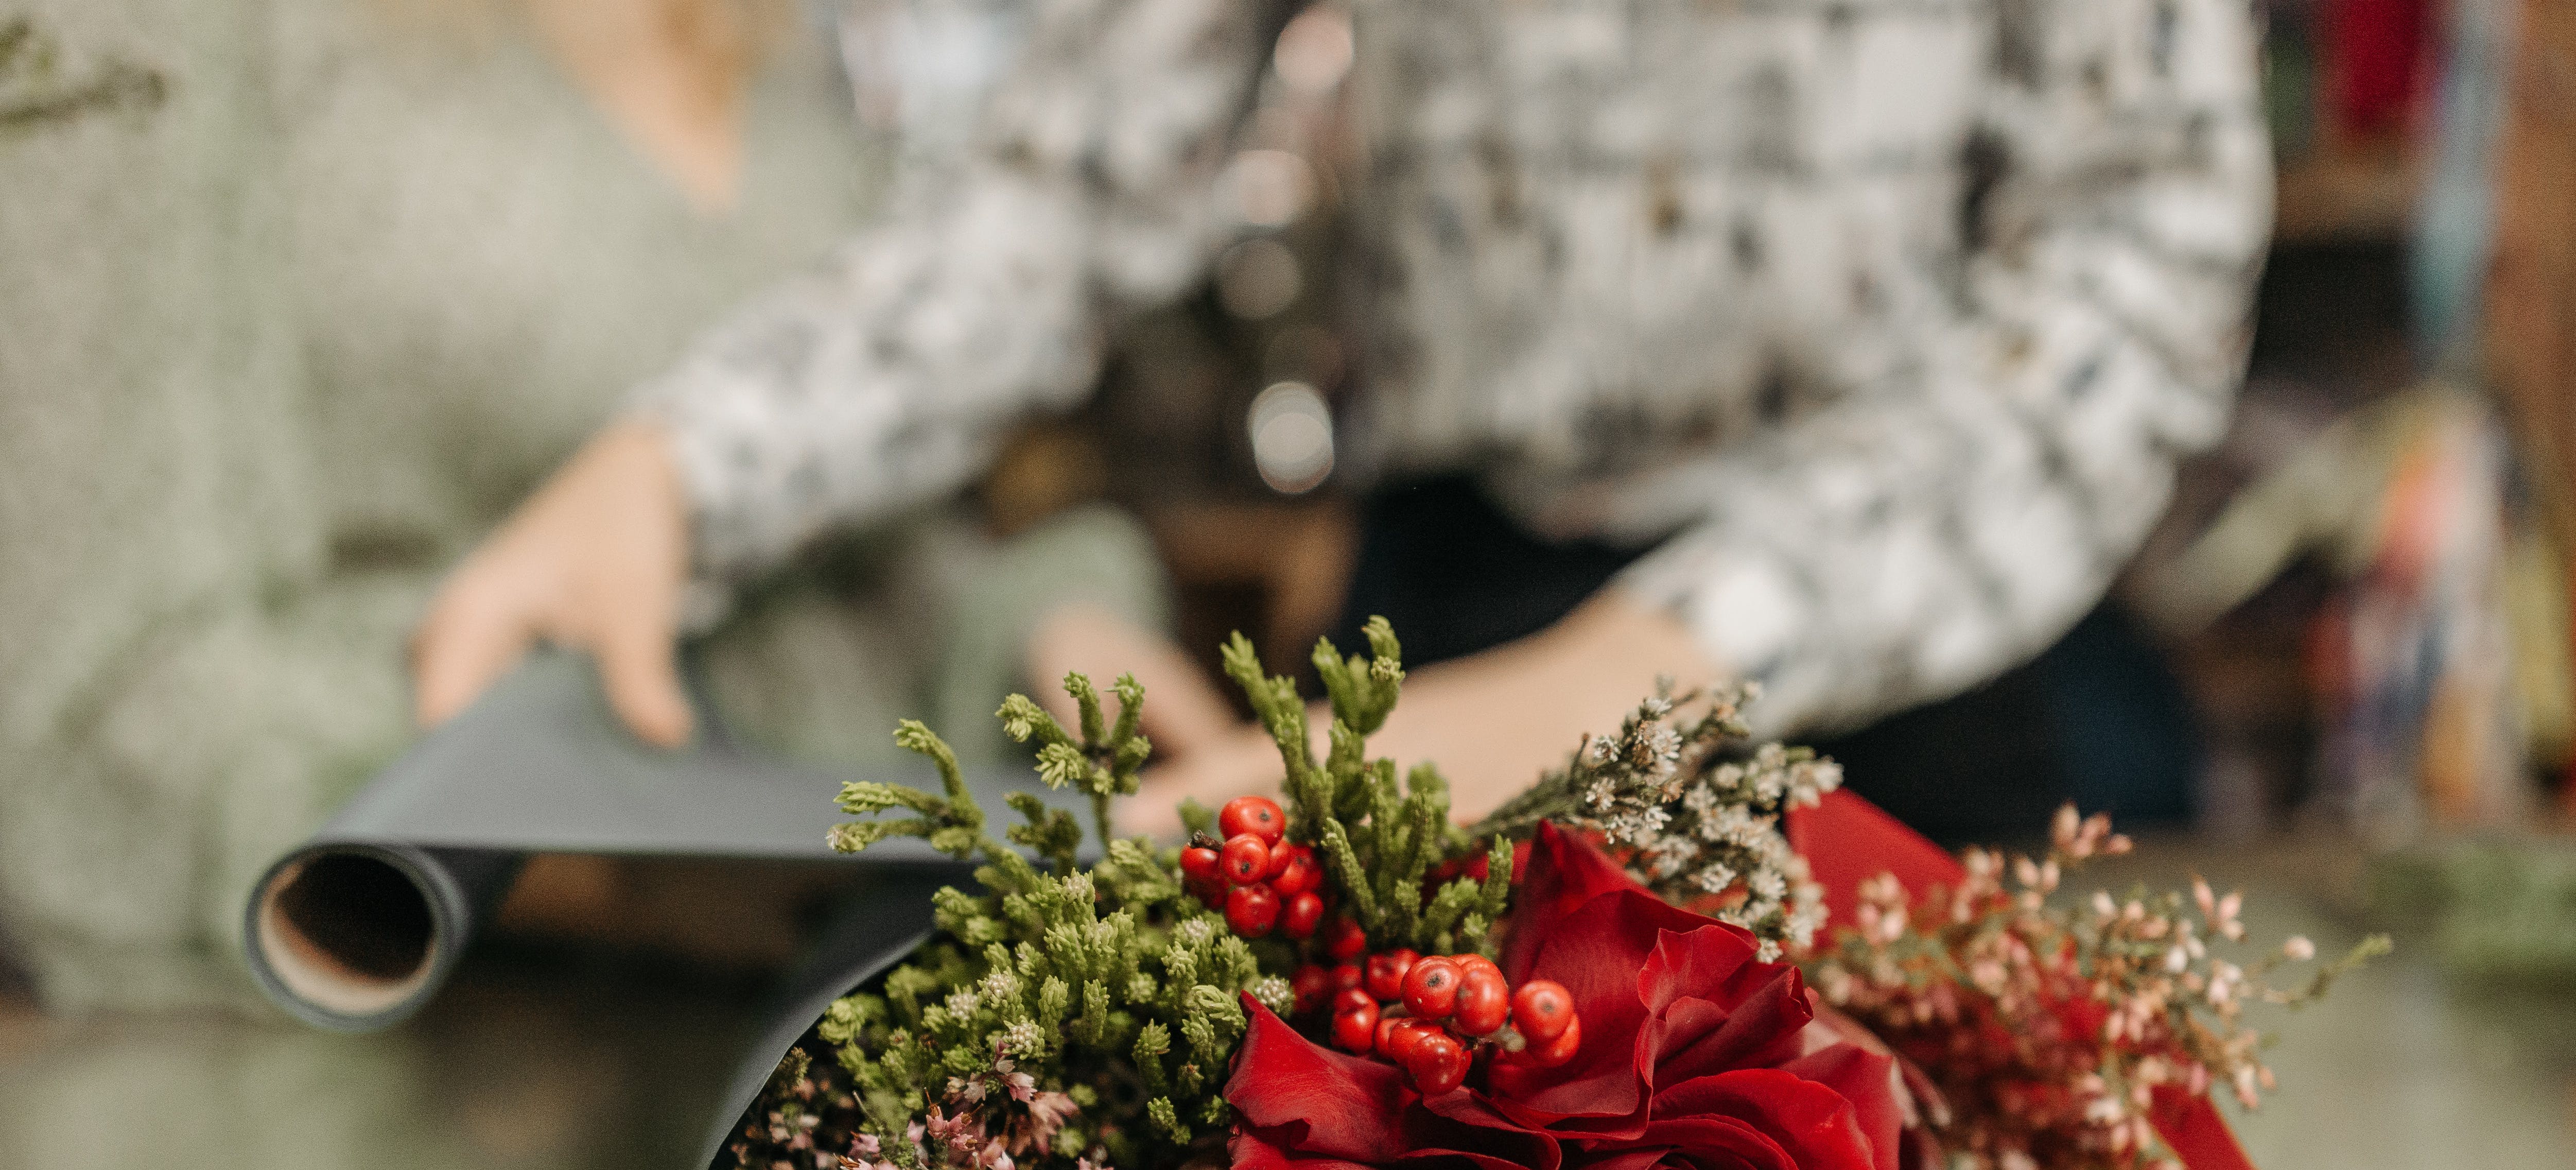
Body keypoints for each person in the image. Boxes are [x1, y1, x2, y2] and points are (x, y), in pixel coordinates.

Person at [416, 0, 2273, 835]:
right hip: (1441, 614)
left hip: (1892, 651)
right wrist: (689, 460)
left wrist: (1623, 679)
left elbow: (2132, 248)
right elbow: (1060, 186)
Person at [0, 0, 1167, 1008]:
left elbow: (822, 521)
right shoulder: (185, 32)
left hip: (864, 1029)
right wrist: (581, 854)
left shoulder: (783, 43)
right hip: (416, 1090)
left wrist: (1025, 625)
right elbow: (83, 694)